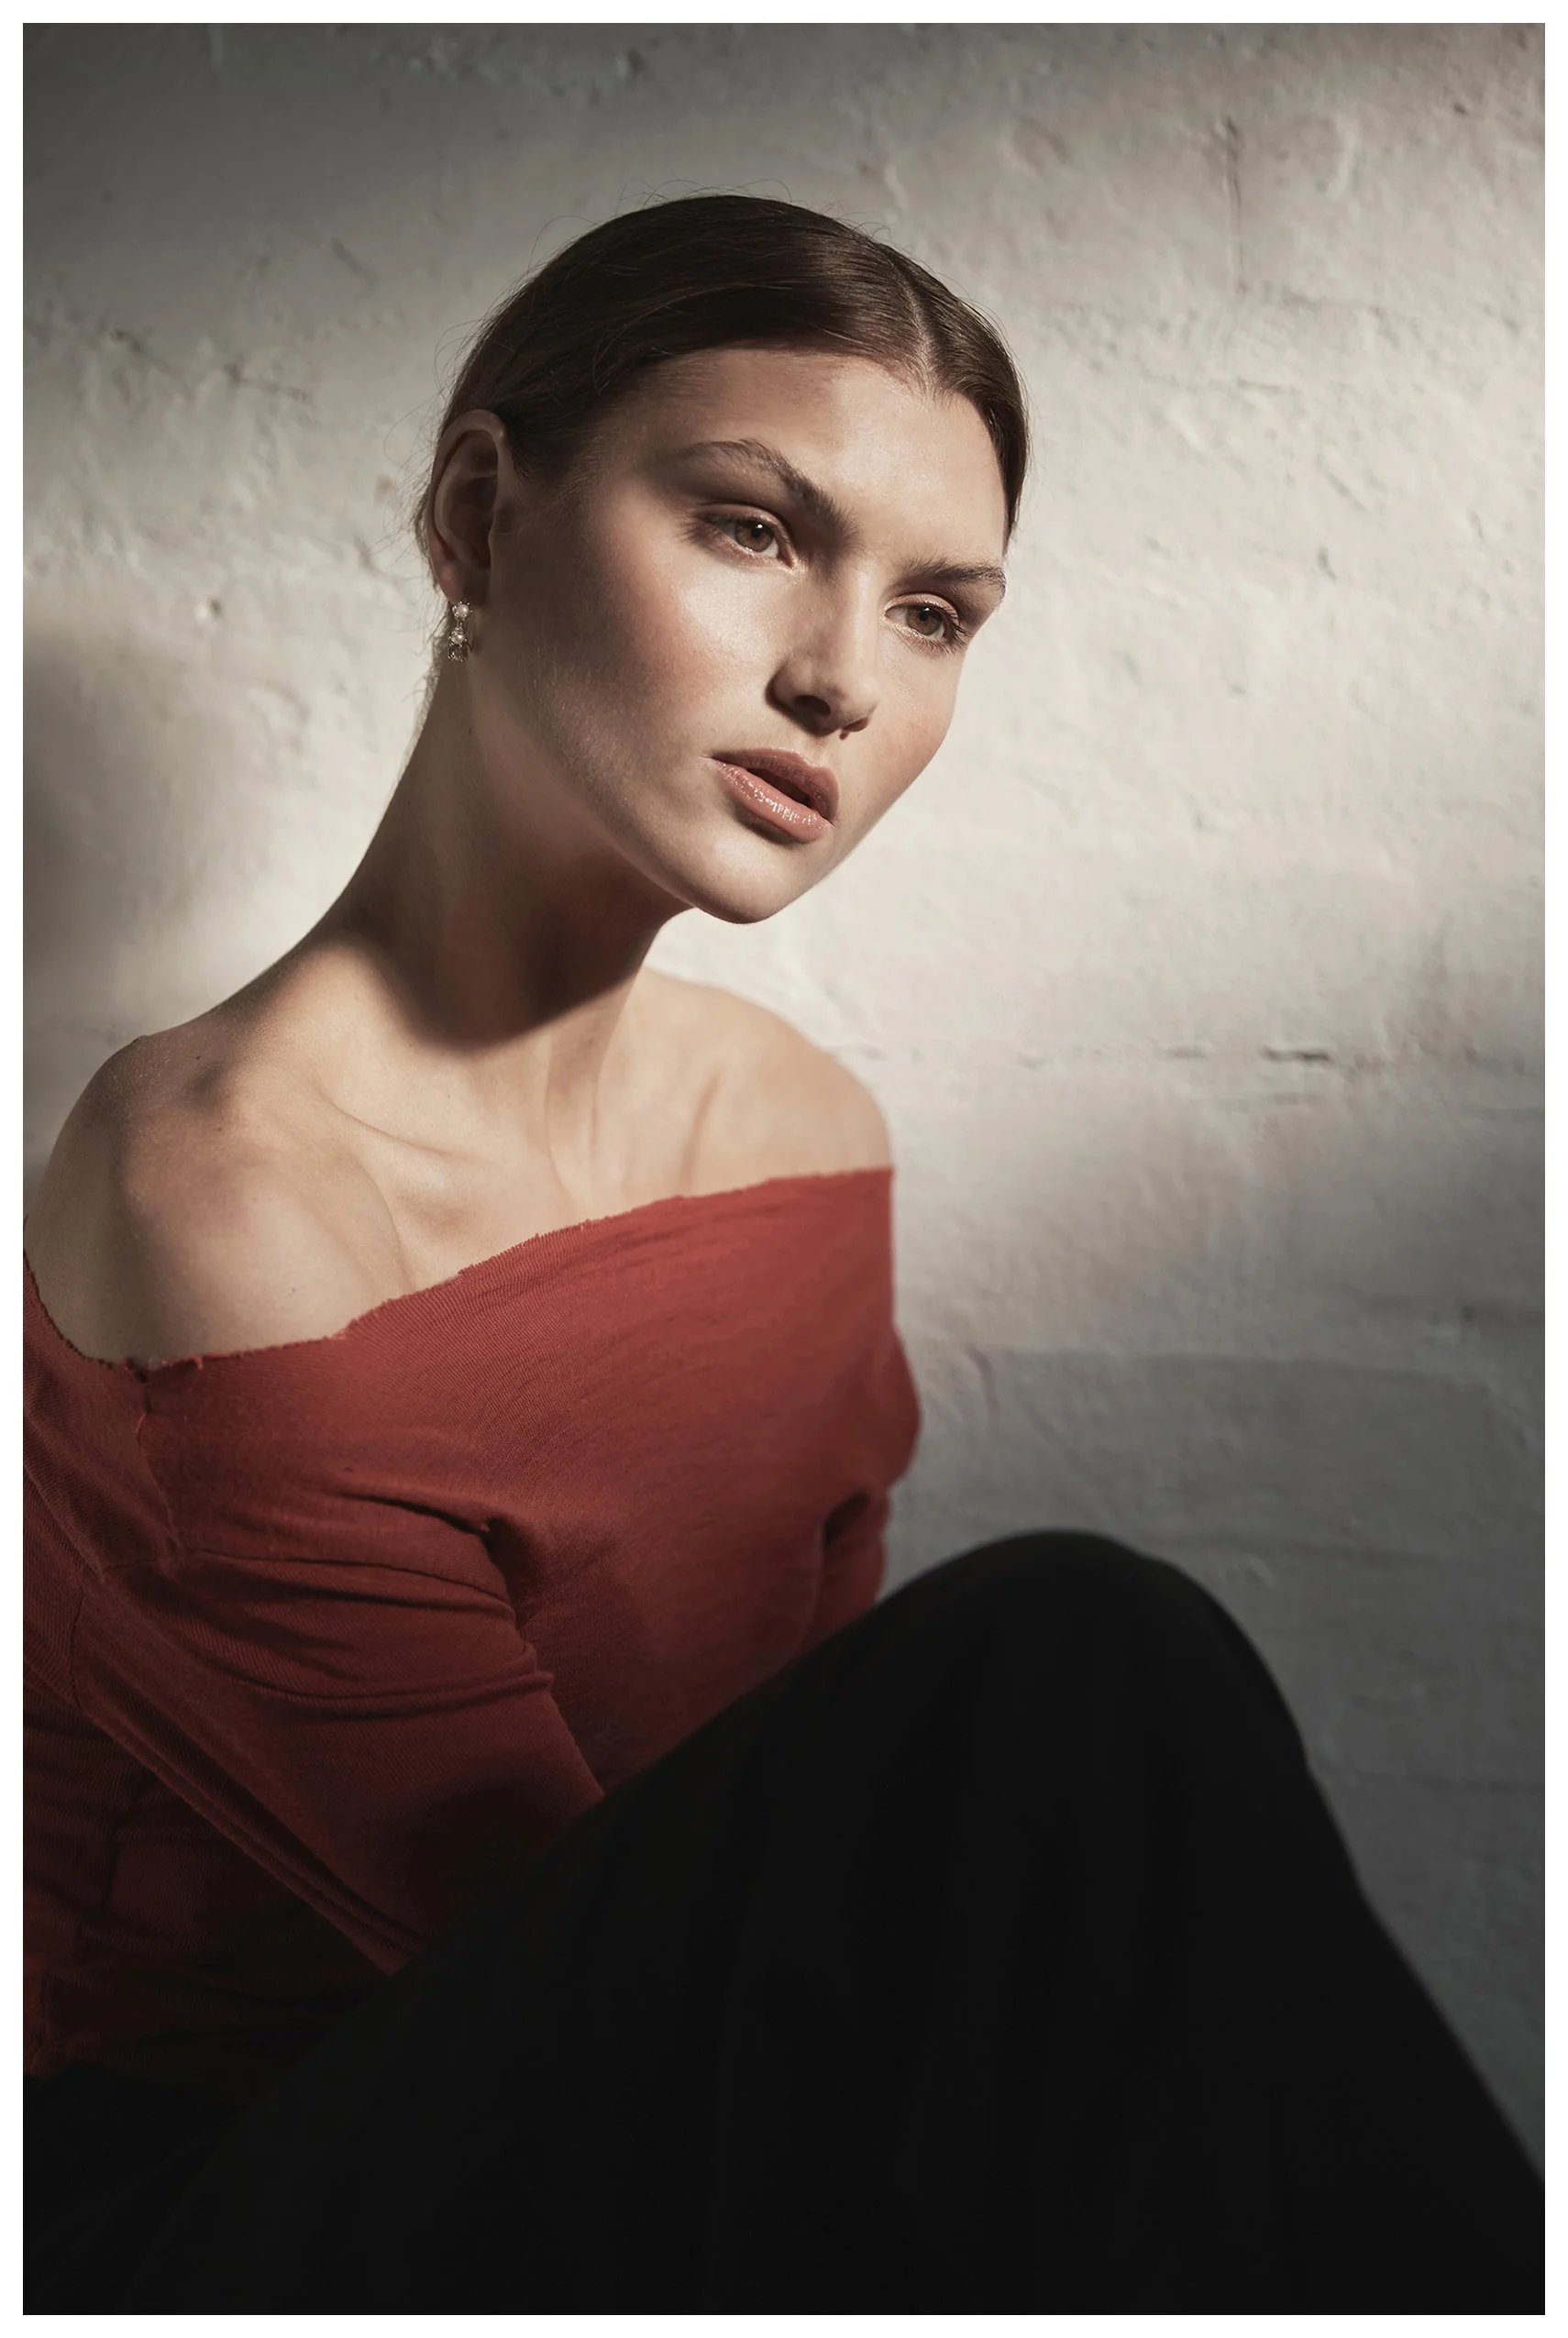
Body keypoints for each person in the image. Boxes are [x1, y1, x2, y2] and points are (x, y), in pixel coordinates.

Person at [23, 193, 1540, 2311]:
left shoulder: (793, 1137)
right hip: (254, 2210)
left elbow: (803, 1873)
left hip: (672, 2093)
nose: (839, 678)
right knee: (1072, 1667)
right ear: (477, 516)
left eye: (935, 613)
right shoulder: (222, 1197)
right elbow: (584, 1964)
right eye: (750, 529)